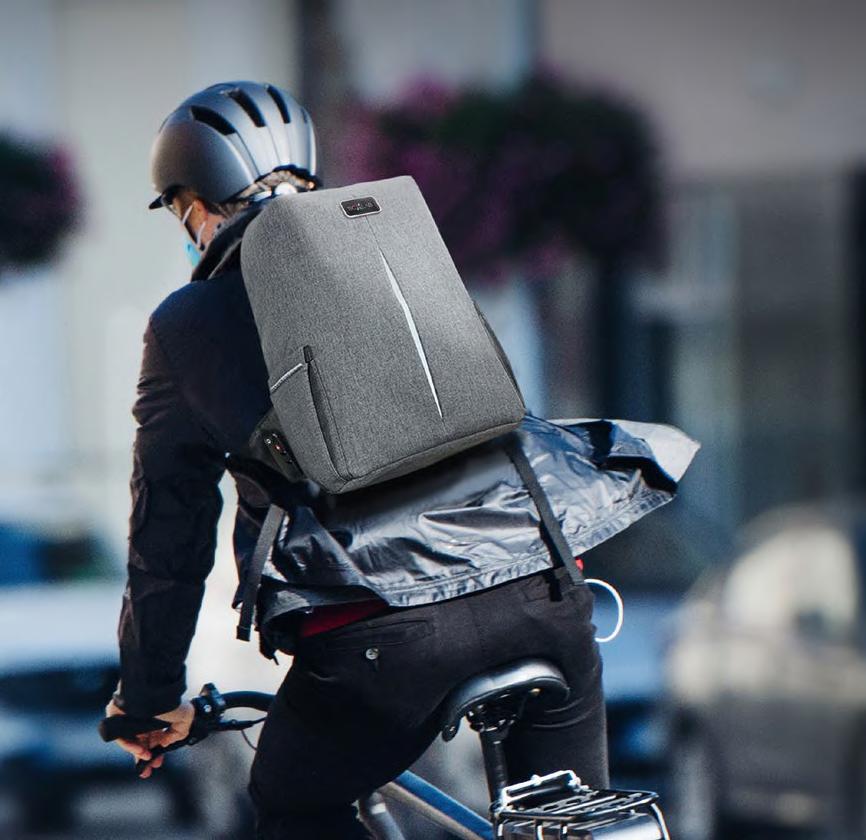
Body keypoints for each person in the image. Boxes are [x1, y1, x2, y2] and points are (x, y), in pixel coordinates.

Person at [102, 81, 620, 839]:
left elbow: (168, 534)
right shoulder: (397, 258)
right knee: (572, 821)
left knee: (293, 804)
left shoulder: (190, 323)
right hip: (544, 595)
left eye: (182, 213)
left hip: (380, 635)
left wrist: (148, 699)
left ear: (197, 208)